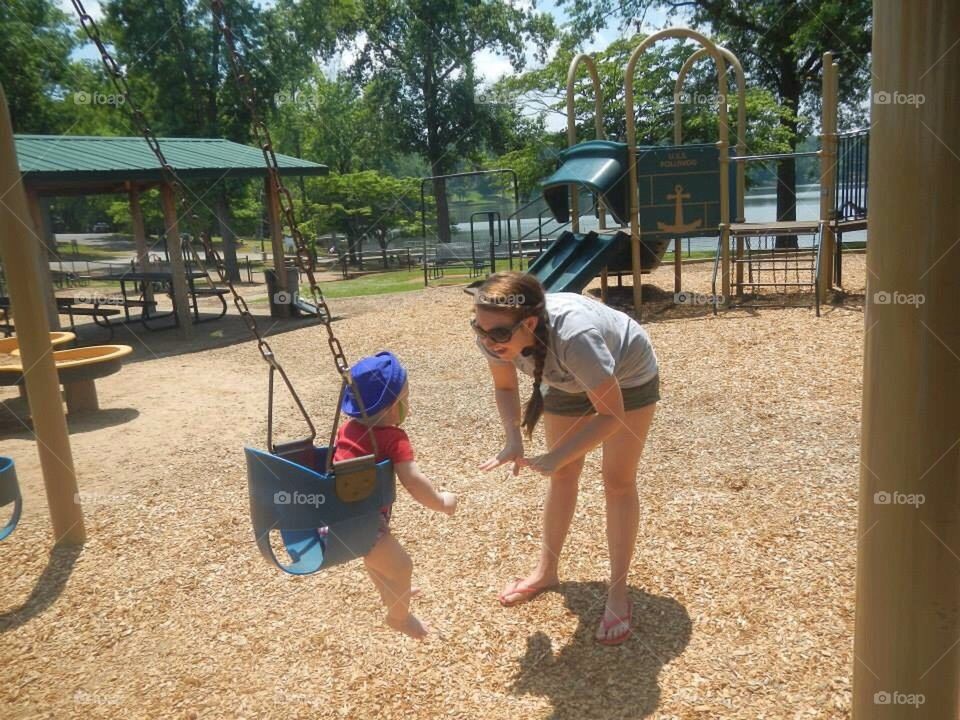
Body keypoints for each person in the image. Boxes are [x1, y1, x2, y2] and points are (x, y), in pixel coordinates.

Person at [473, 272, 659, 645]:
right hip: (565, 378)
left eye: (497, 334)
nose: (487, 341)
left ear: (527, 323)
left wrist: (556, 454)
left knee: (617, 481)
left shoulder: (575, 338)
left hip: (627, 376)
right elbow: (505, 386)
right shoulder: (491, 331)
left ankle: (618, 592)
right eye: (479, 328)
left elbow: (611, 414)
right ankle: (546, 571)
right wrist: (514, 440)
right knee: (563, 475)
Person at [334, 351, 457, 639]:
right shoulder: (393, 438)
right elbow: (413, 482)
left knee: (376, 560)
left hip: (337, 515)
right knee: (402, 567)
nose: (409, 407)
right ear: (391, 408)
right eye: (406, 400)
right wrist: (441, 502)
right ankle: (398, 616)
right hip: (363, 523)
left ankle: (393, 594)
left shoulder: (347, 429)